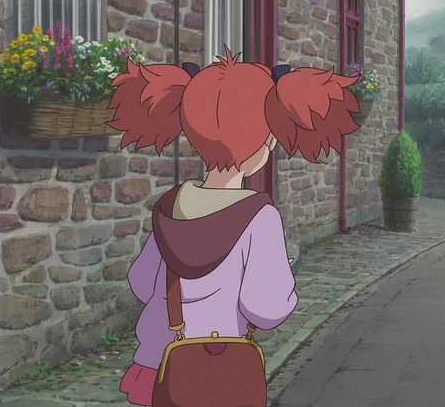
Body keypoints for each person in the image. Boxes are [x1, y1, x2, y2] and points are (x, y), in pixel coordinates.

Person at [111, 48, 361, 406]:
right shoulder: (259, 218)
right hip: (220, 369)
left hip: (158, 365)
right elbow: (266, 308)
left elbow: (140, 282)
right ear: (265, 141)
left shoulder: (170, 207)